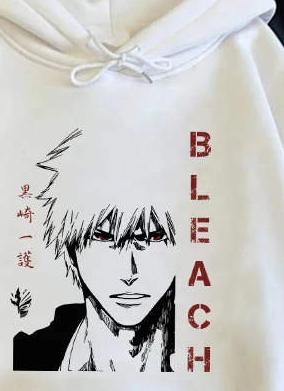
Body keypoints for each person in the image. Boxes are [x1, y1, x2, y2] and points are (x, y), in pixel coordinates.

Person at [14, 130, 176, 372]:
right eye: (103, 237)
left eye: (154, 237)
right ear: (71, 251)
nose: (129, 273)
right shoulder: (26, 356)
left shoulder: (213, 349)